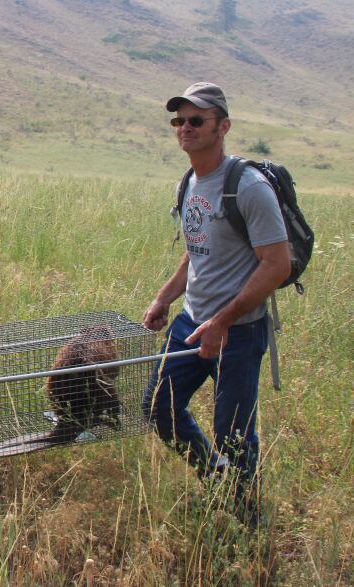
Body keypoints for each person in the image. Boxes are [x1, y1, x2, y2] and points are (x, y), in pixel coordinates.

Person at [141, 82, 290, 526]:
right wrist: (164, 298)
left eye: (196, 120)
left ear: (222, 126)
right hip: (191, 322)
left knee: (235, 435)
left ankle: (246, 520)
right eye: (179, 120)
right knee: (158, 408)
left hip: (239, 331)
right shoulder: (189, 182)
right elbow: (197, 250)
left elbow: (277, 263)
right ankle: (217, 480)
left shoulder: (248, 187)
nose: (185, 128)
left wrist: (224, 320)